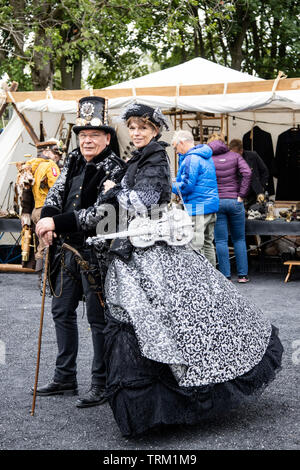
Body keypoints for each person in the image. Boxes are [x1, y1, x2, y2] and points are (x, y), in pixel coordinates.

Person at [89, 103, 283, 438]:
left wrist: (115, 191)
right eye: (132, 127)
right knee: (144, 322)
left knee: (164, 317)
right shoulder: (138, 157)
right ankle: (145, 409)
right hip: (136, 249)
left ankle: (166, 405)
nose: (136, 133)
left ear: (155, 131)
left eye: (143, 128)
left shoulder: (156, 157)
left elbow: (148, 200)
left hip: (154, 252)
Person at [34, 96, 126, 408]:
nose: (87, 140)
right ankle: (65, 378)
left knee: (98, 320)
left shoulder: (117, 168)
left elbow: (100, 215)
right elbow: (57, 192)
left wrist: (52, 222)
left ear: (107, 138)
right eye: (83, 135)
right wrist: (48, 218)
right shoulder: (72, 160)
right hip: (65, 250)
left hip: (98, 254)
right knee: (61, 312)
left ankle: (101, 383)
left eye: (94, 135)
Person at [207, 133, 252, 283]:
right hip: (234, 200)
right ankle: (243, 275)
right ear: (223, 142)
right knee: (239, 239)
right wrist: (241, 194)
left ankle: (225, 276)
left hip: (217, 202)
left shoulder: (207, 158)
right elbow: (247, 173)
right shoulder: (235, 156)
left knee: (220, 240)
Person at [171, 130, 219, 266]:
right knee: (208, 244)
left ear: (181, 143)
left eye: (175, 147)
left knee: (196, 246)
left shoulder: (190, 159)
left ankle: (201, 281)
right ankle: (213, 279)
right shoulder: (205, 156)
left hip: (197, 207)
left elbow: (186, 186)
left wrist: (170, 186)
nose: (176, 151)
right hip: (211, 205)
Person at [20, 140, 63, 272]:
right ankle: (45, 279)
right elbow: (58, 189)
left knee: (41, 245)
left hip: (35, 211)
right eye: (55, 152)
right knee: (48, 246)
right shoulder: (51, 166)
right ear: (45, 152)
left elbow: (25, 193)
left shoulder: (30, 166)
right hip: (47, 211)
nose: (58, 156)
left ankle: (42, 278)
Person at [229, 138, 269, 209]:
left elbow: (264, 171)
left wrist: (262, 187)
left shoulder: (253, 156)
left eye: (235, 153)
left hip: (254, 194)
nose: (232, 156)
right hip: (238, 195)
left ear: (241, 151)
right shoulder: (229, 159)